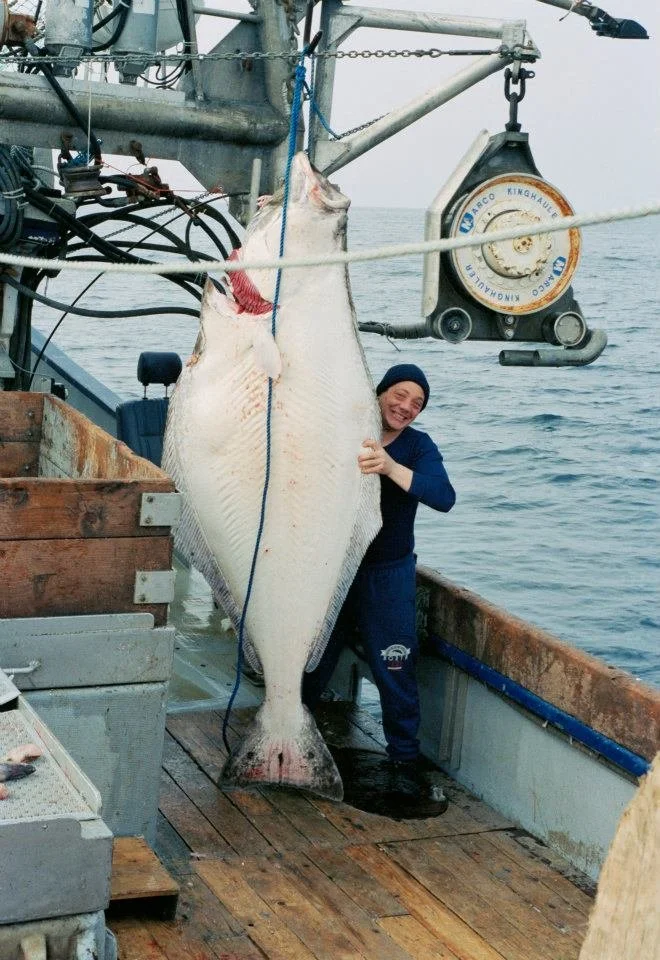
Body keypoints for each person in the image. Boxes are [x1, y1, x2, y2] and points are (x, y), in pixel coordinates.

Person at [302, 363, 456, 768]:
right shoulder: (343, 429)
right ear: (380, 391)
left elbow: (443, 496)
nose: (406, 407)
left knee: (396, 669)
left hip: (388, 576)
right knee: (310, 663)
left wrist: (390, 467)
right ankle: (292, 741)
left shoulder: (418, 447)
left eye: (417, 403)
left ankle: (404, 762)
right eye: (400, 394)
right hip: (332, 567)